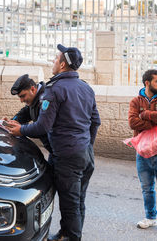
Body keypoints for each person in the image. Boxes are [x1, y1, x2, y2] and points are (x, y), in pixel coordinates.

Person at [7, 44, 101, 241]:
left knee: (70, 204)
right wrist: (86, 146)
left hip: (67, 156)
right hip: (85, 154)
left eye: (56, 58)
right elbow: (95, 122)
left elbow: (42, 126)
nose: (53, 61)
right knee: (77, 200)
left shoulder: (54, 90)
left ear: (63, 64)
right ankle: (66, 234)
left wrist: (20, 130)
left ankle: (72, 237)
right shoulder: (86, 88)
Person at [128, 69, 157, 239]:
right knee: (147, 189)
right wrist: (152, 122)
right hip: (143, 152)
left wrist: (146, 115)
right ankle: (150, 218)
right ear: (147, 83)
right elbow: (133, 122)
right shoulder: (136, 101)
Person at [8, 74, 52, 153]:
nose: (21, 100)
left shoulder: (46, 99)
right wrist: (12, 121)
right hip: (54, 150)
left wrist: (21, 130)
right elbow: (25, 112)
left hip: (66, 151)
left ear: (32, 89)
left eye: (23, 96)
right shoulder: (35, 99)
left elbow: (41, 127)